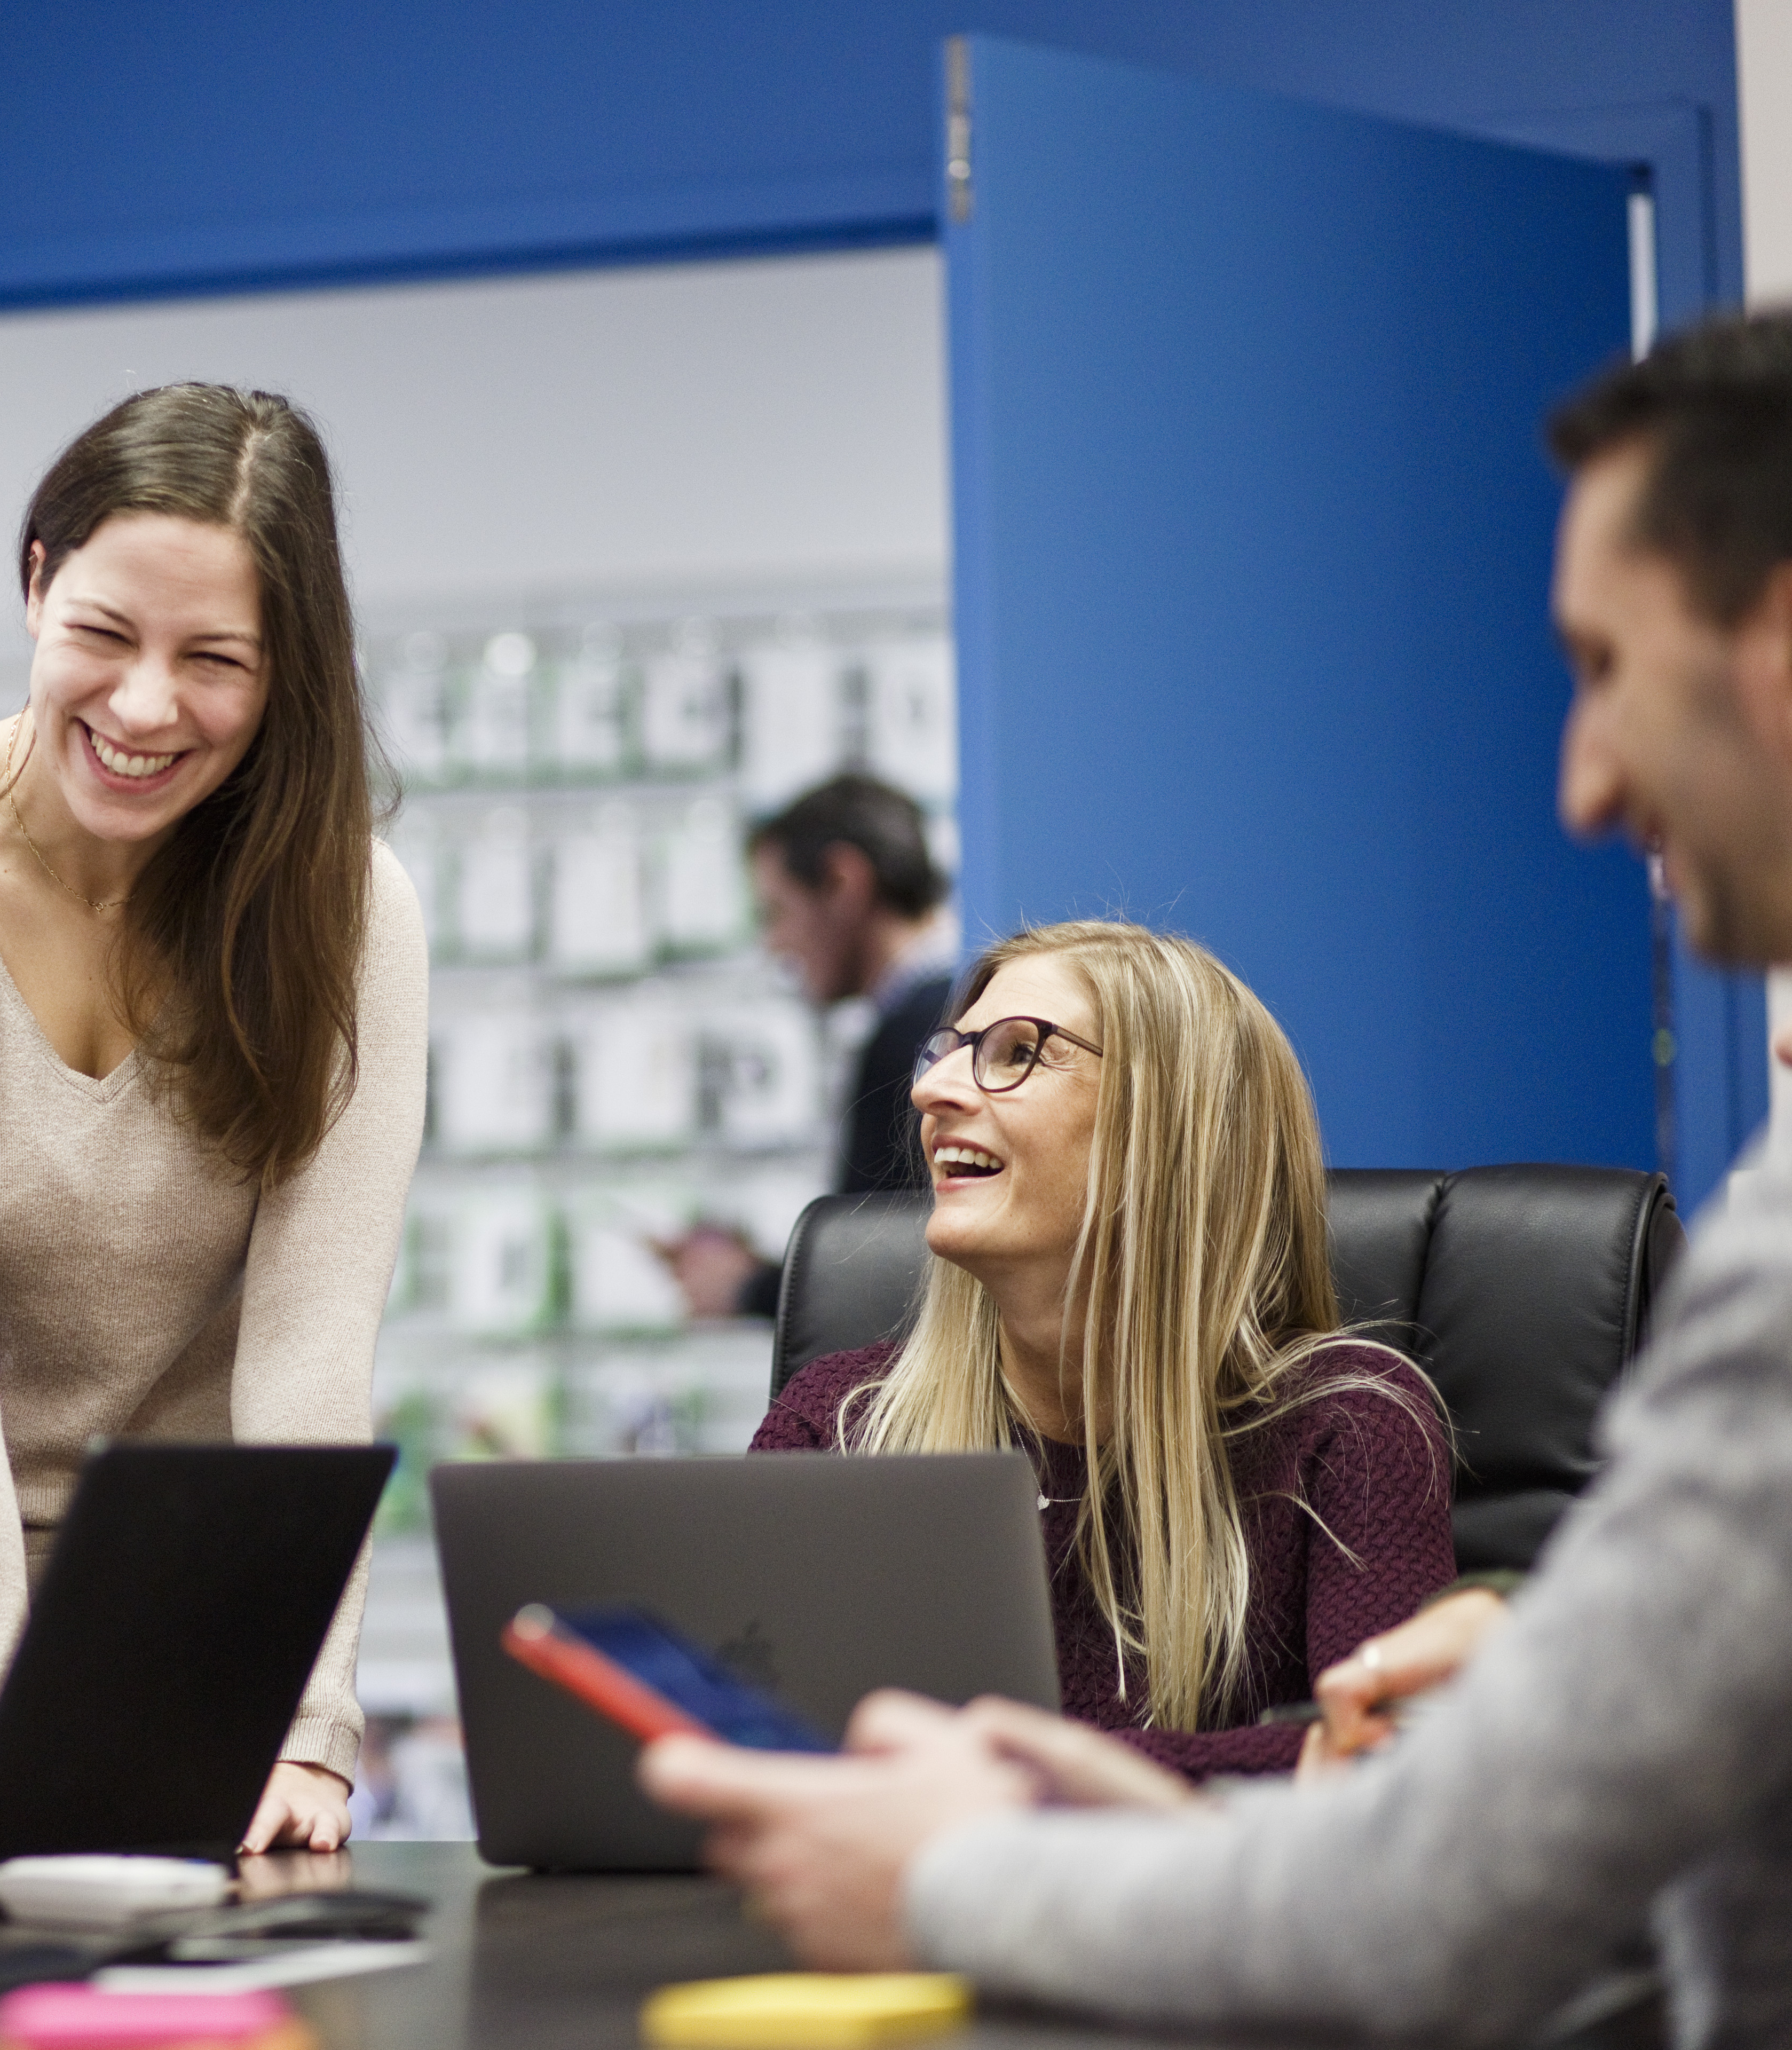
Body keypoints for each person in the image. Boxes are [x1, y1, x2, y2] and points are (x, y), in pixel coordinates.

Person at [639, 311, 1792, 2047]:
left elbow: (1430, 1919)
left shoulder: (1369, 1418)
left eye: (1606, 668)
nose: (1583, 781)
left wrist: (963, 1861)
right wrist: (1551, 1686)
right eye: (954, 1048)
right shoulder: (849, 1405)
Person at [0, 384, 427, 1852]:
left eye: (214, 660)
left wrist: (309, 1728)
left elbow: (307, 1357)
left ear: (288, 667)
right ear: (36, 582)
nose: (147, 705)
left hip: (165, 1595)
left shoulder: (342, 914)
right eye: (104, 635)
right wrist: (4, 1777)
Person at [751, 920, 1452, 1775]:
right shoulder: (837, 1424)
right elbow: (736, 1749)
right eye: (950, 1050)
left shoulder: (1348, 1429)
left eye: (1016, 1053)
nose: (932, 1089)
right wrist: (1264, 1757)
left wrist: (994, 1777)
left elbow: (1381, 1764)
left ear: (1168, 1123)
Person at [661, 774, 957, 1320]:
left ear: (843, 882)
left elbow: (876, 1277)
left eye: (776, 912)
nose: (774, 944)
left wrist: (746, 1289)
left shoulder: (908, 1040)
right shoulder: (956, 1009)